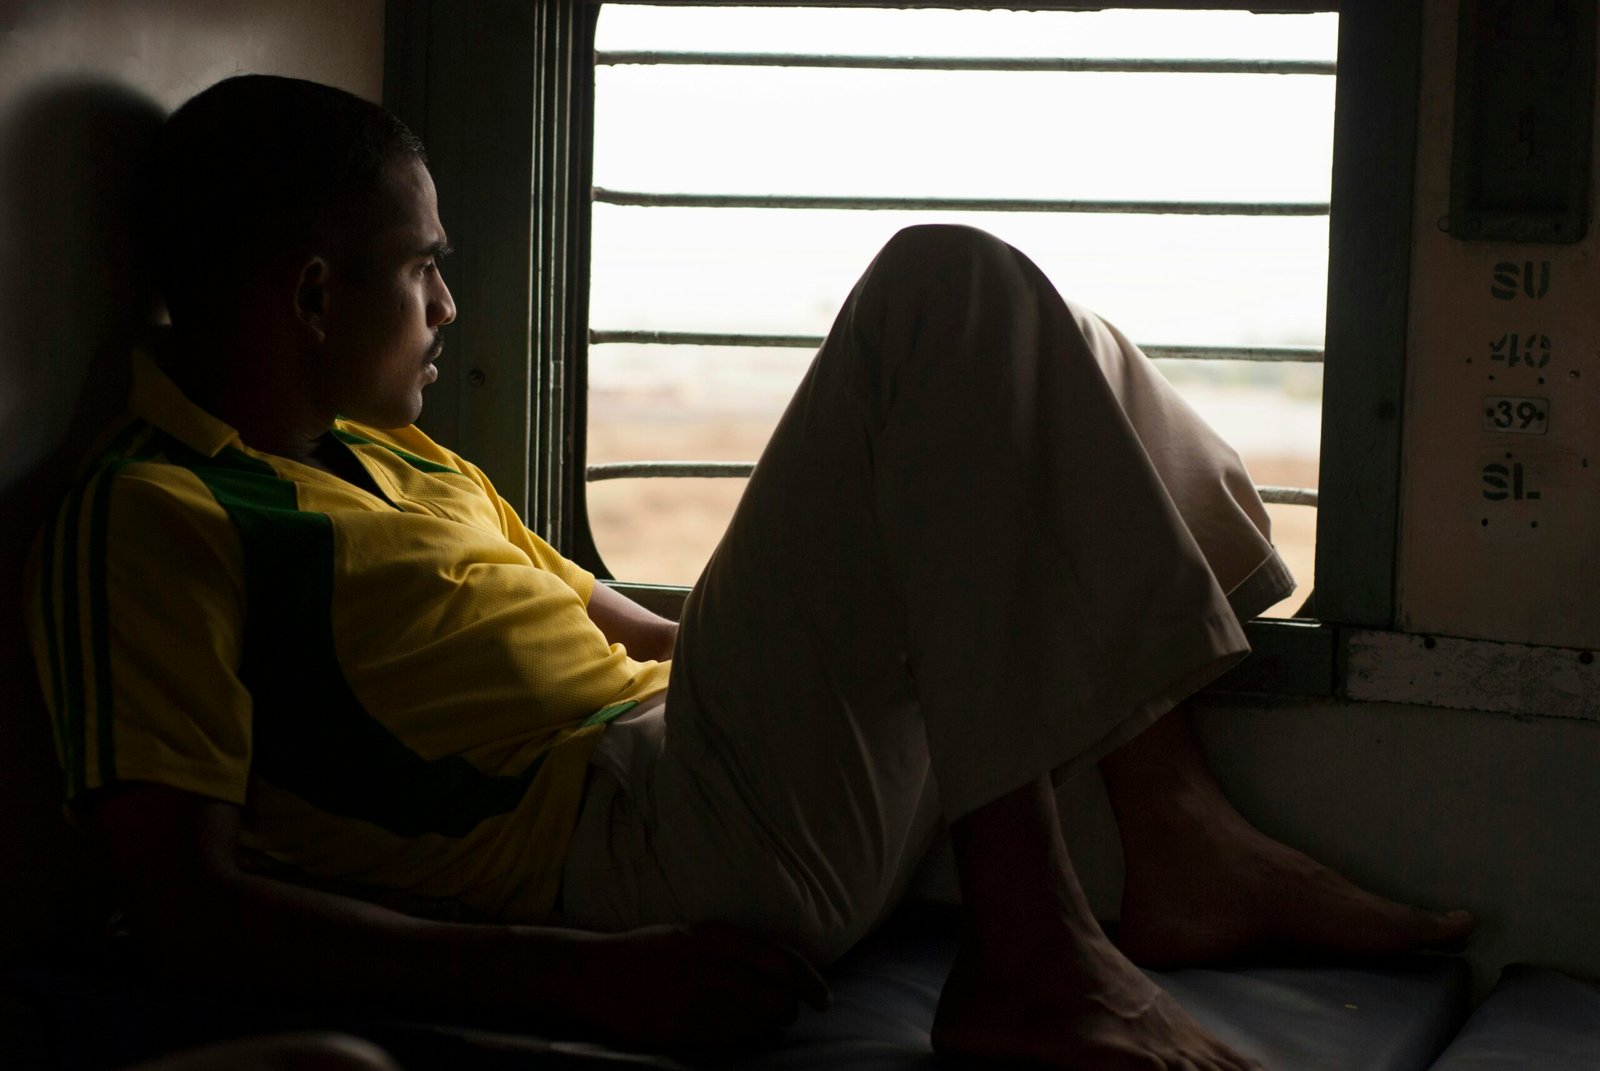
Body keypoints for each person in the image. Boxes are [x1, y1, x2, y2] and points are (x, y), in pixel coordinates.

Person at [28, 74, 1473, 1070]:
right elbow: (183, 905)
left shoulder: (400, 466)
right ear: (316, 295)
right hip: (631, 855)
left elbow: (646, 637)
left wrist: (911, 556)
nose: (450, 310)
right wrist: (591, 979)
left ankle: (1179, 837)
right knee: (941, 291)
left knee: (1041, 341)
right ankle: (1036, 960)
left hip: (709, 766)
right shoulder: (154, 513)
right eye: (427, 269)